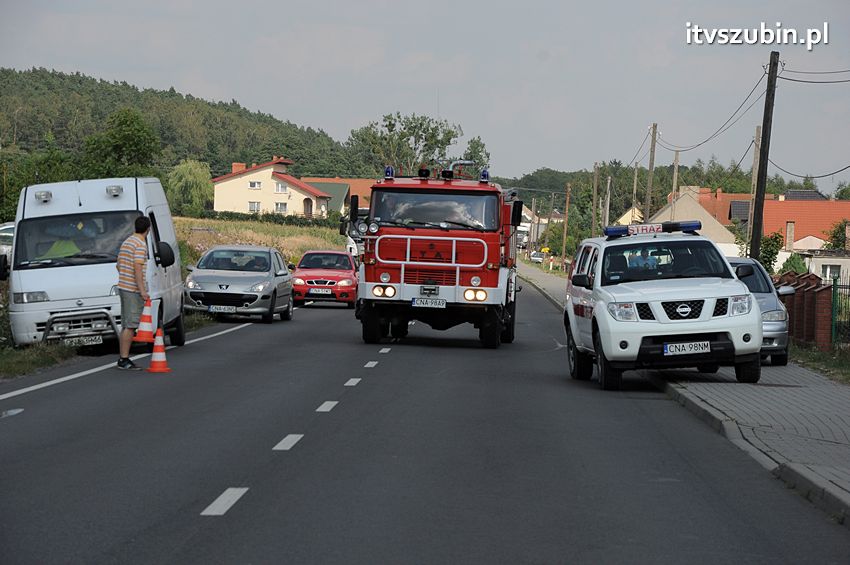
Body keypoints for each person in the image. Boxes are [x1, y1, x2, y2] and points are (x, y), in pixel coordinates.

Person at [115, 216, 151, 370]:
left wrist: (124, 276)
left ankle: (123, 357)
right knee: (130, 325)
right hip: (132, 289)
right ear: (148, 229)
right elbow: (137, 268)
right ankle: (124, 359)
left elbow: (118, 264)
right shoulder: (140, 245)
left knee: (125, 324)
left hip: (123, 286)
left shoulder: (127, 242)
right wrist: (142, 290)